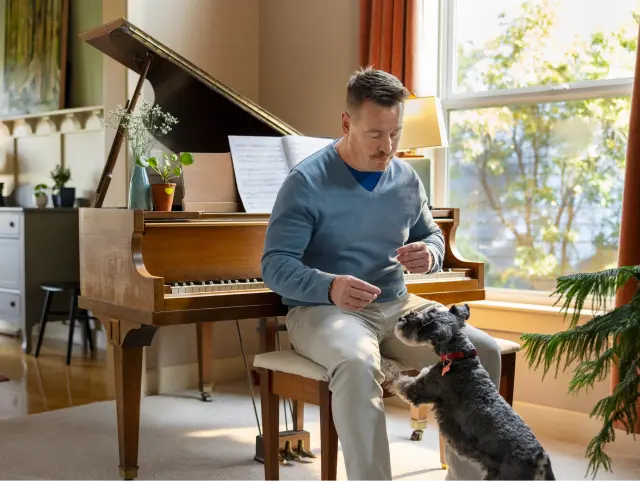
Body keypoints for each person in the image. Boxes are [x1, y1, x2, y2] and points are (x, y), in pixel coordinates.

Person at [261, 66, 501, 481]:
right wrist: (329, 285)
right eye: (375, 134)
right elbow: (275, 265)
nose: (387, 146)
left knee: (480, 350)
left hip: (399, 305)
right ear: (346, 122)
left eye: (396, 133)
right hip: (324, 311)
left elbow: (432, 237)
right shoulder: (305, 182)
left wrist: (429, 252)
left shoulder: (407, 178)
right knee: (356, 364)